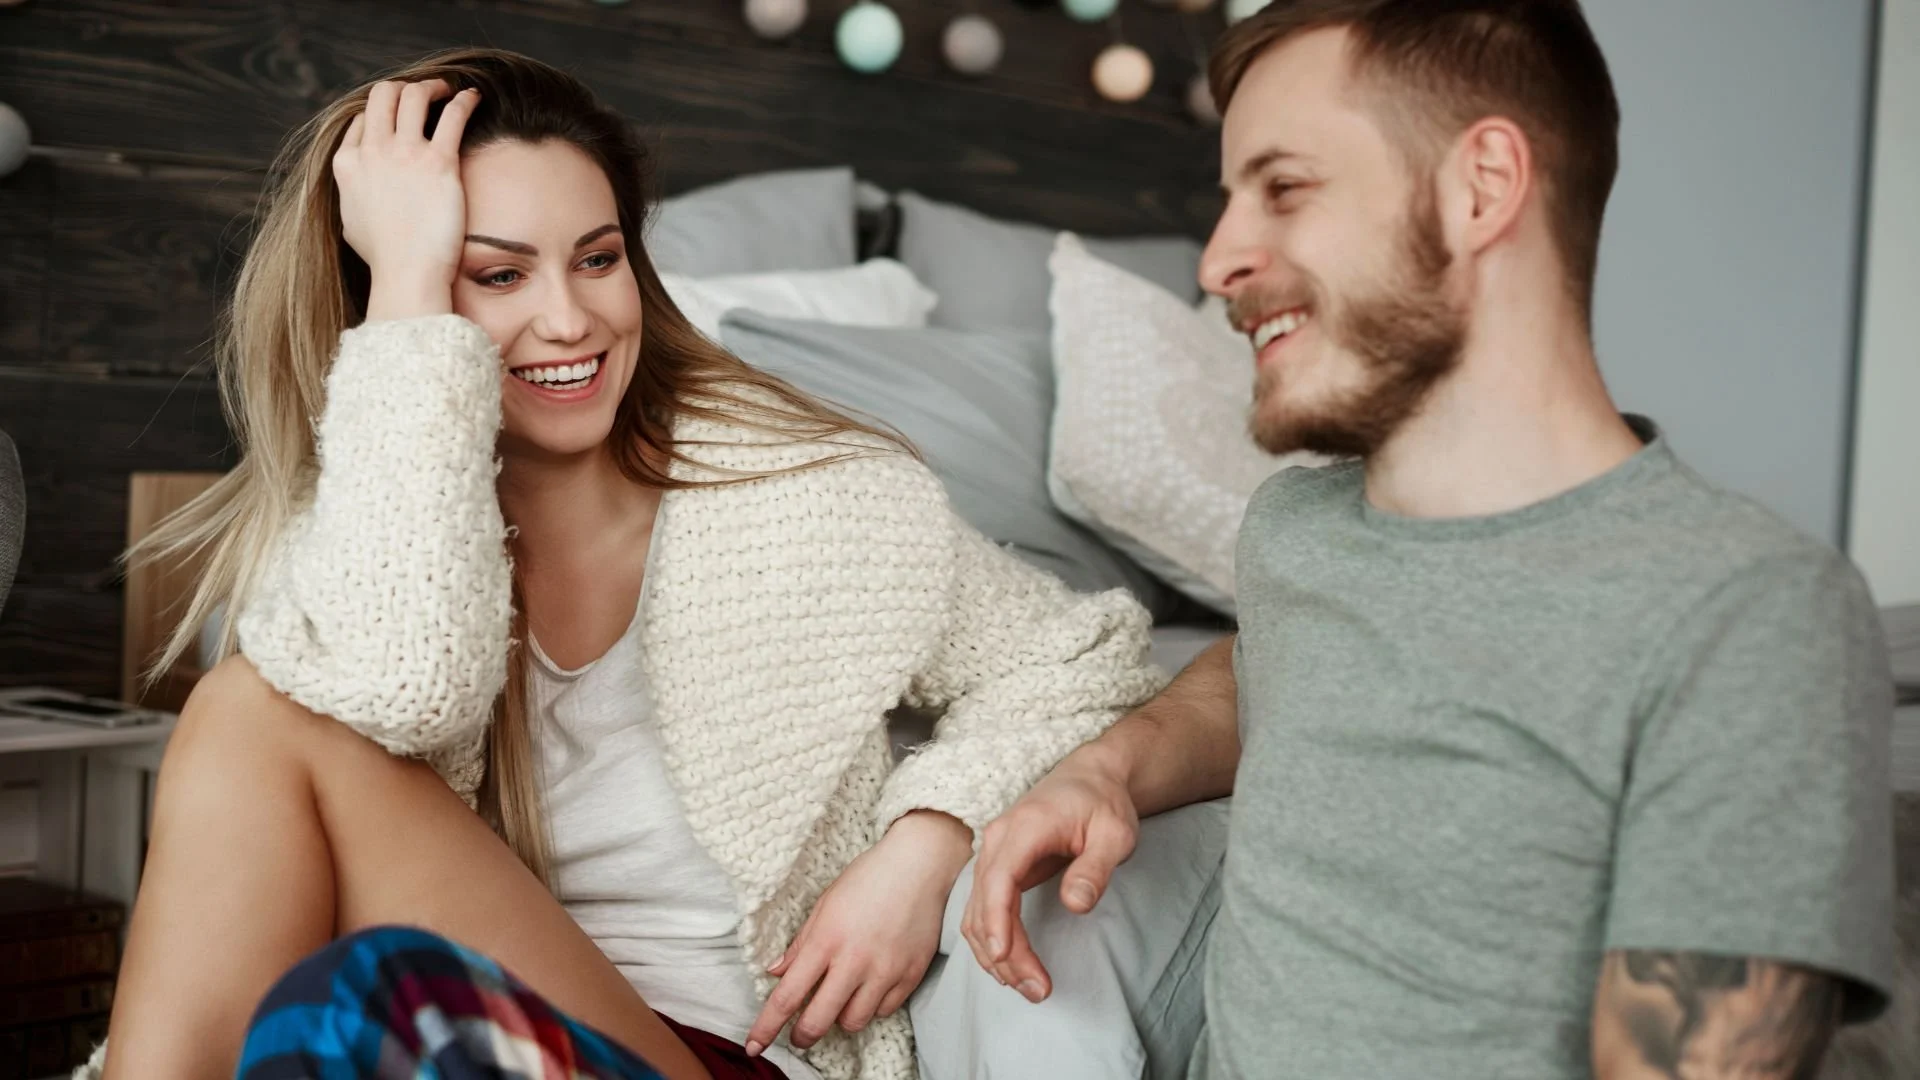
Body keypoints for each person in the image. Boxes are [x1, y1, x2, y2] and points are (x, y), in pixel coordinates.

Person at [94, 48, 1175, 1080]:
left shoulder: (812, 499)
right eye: (495, 273)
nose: (568, 318)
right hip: (449, 1026)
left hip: (724, 1054)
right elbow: (402, 682)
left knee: (363, 968)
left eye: (598, 258)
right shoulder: (363, 542)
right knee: (260, 718)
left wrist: (927, 839)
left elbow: (1080, 658)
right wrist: (415, 292)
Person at [962, 2, 1897, 1078]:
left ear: (1481, 188)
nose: (1218, 258)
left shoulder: (1748, 611)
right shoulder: (1297, 534)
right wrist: (1105, 770)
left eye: (1285, 189)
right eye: (1229, 202)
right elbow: (1270, 667)